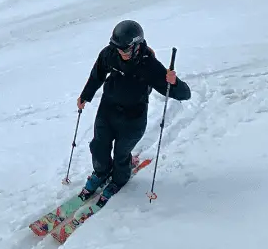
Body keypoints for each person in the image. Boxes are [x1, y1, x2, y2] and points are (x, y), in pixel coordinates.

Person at [76, 20, 191, 206]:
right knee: (99, 146)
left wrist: (175, 82)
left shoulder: (149, 65)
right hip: (108, 109)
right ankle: (101, 173)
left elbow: (184, 94)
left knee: (122, 153)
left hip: (133, 117)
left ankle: (118, 181)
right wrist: (85, 95)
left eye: (126, 49)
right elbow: (97, 73)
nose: (122, 53)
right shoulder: (109, 54)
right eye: (119, 48)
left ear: (137, 45)